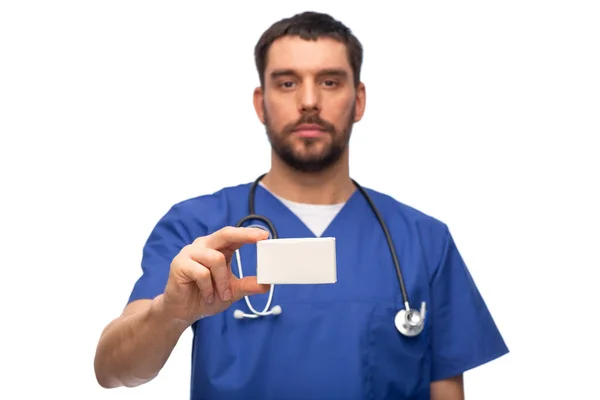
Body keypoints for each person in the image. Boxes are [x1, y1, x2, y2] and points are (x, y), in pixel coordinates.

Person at [94, 11, 509, 400]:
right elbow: (113, 370)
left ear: (359, 100)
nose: (309, 100)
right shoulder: (198, 227)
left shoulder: (423, 240)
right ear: (261, 102)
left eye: (329, 81)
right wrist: (170, 313)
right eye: (287, 82)